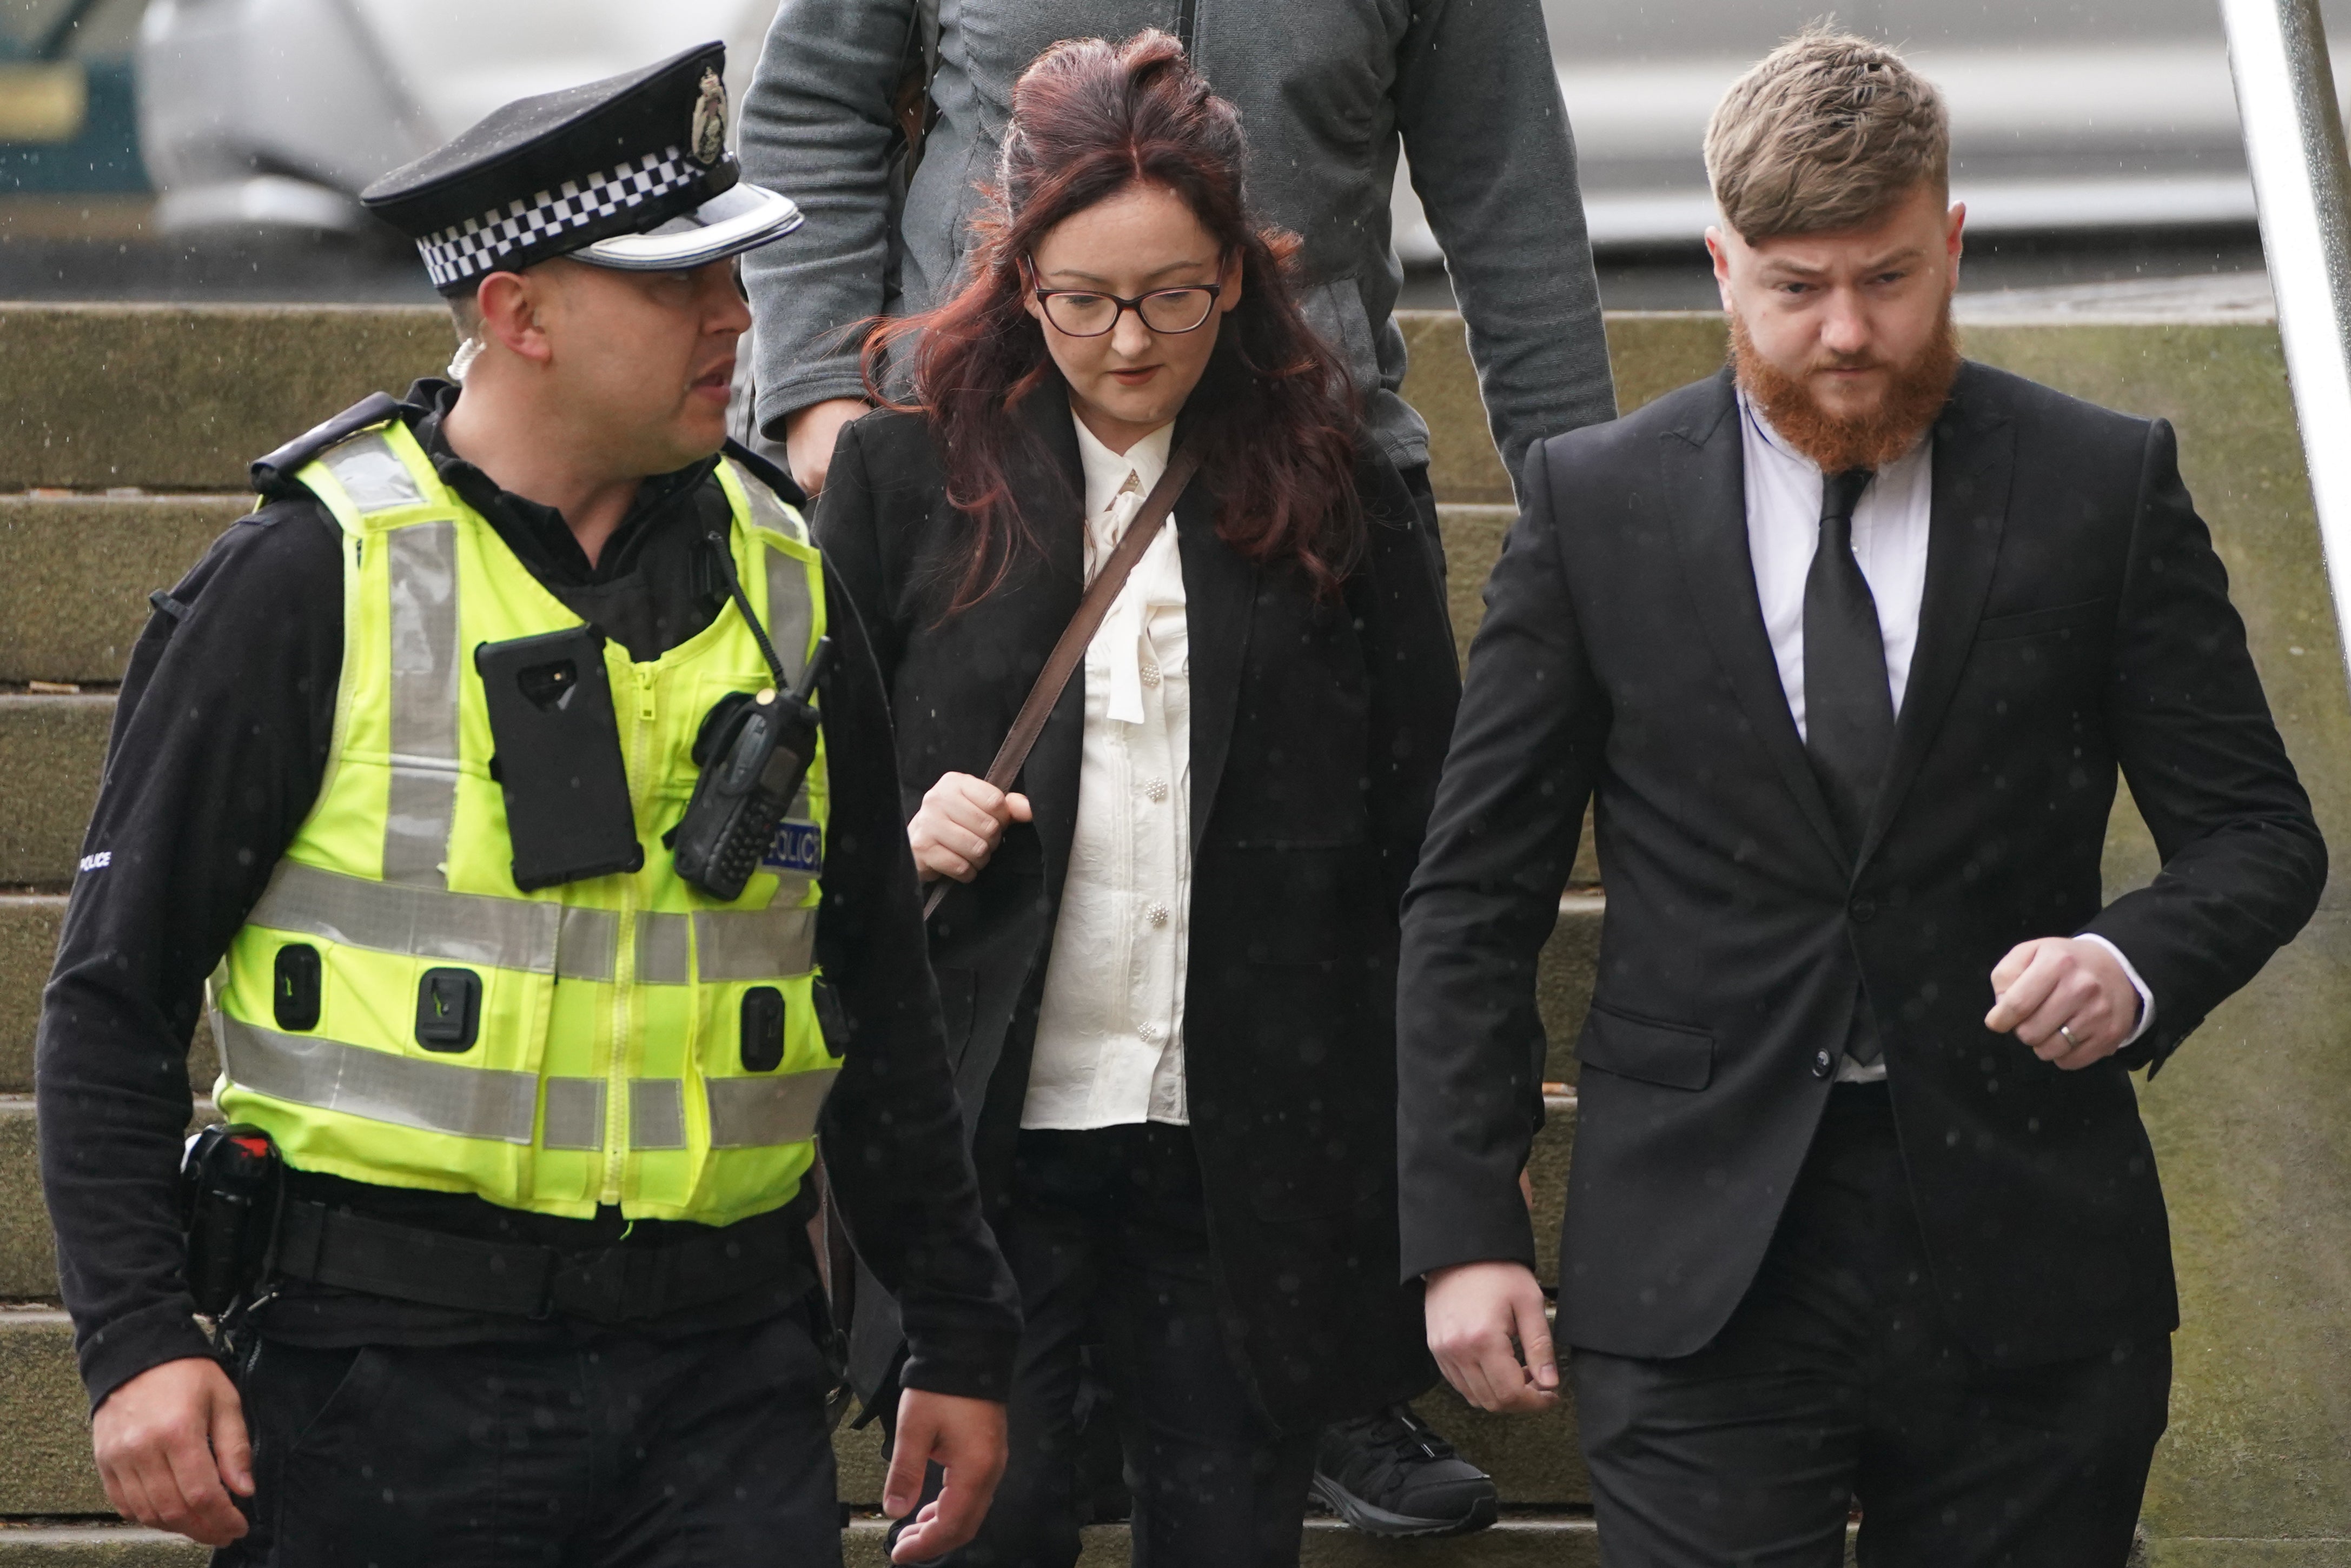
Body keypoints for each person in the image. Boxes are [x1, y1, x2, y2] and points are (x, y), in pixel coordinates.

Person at [35, 44, 1017, 1567]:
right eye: (678, 283)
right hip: (379, 1380)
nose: (736, 321)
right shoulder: (309, 579)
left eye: (736, 276)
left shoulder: (789, 589)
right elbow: (110, 998)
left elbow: (874, 999)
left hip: (725, 1379)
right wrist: (136, 1338)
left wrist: (955, 1329)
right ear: (517, 311)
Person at [1395, 30, 2328, 1568]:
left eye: (1888, 278)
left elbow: (2258, 834)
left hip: (2030, 1259)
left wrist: (2133, 958)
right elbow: (1472, 897)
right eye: (1794, 283)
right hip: (1694, 1271)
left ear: (1949, 240)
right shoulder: (1593, 505)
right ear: (1718, 265)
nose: (1845, 330)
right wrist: (1461, 1227)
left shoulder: (2104, 485)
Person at [738, 2, 1604, 1529]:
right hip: (980, 1168)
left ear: (1232, 277)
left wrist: (1593, 524)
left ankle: (1336, 1369)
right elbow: (774, 818)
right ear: (1030, 275)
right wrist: (814, 386)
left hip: (1243, 1147)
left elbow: (1508, 183)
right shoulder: (897, 490)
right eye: (1089, 302)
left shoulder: (1344, 505)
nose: (1129, 341)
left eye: (1169, 299)